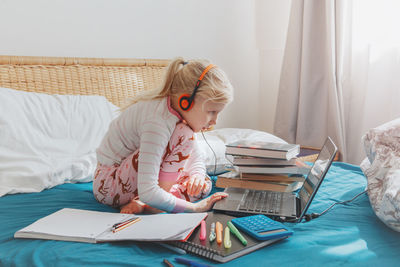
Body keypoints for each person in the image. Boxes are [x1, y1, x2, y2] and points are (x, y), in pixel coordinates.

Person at [93, 57, 234, 214]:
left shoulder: (176, 115)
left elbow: (196, 156)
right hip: (109, 186)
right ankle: (153, 205)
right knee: (184, 135)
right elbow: (147, 189)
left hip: (136, 186)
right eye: (211, 112)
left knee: (203, 184)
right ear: (185, 101)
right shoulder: (157, 122)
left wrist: (197, 176)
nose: (214, 121)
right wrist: (194, 208)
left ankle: (146, 204)